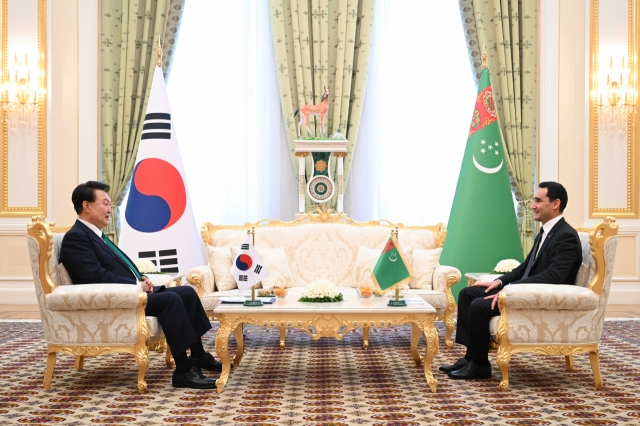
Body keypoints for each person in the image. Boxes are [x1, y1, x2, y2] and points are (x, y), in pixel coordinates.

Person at [60, 181, 223, 389]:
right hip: (115, 300)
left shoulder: (96, 234)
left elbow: (116, 266)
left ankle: (198, 355)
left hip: (128, 292)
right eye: (105, 204)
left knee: (187, 293)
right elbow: (94, 277)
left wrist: (141, 277)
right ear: (87, 206)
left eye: (110, 204)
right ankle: (183, 371)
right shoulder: (76, 238)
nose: (110, 209)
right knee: (171, 300)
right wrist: (136, 286)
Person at [441, 181, 583, 380]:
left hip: (540, 299)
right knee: (467, 294)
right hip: (521, 292)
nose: (532, 205)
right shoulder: (545, 232)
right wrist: (499, 282)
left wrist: (510, 290)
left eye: (538, 200)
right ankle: (471, 357)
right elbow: (524, 268)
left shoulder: (566, 236)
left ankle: (480, 366)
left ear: (555, 204)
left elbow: (554, 277)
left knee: (479, 305)